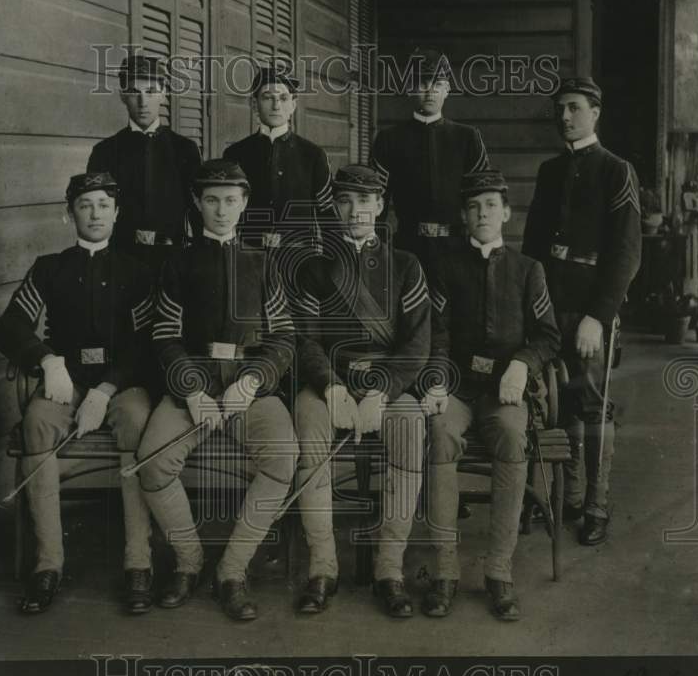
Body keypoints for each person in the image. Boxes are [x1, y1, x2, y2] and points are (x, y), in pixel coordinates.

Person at [135, 160, 299, 622]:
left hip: (251, 391)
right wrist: (191, 391)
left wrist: (252, 381)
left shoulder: (263, 263)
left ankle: (232, 569)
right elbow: (164, 336)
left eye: (230, 200)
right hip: (196, 389)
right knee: (152, 462)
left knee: (283, 459)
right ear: (197, 203)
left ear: (244, 203)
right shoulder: (177, 263)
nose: (221, 210)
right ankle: (189, 560)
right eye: (211, 200)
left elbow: (285, 338)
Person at [0, 172, 155, 615]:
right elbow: (10, 325)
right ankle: (48, 565)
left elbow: (146, 345)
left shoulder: (137, 273)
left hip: (120, 385)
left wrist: (106, 389)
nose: (95, 213)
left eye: (104, 204)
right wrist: (48, 361)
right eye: (85, 205)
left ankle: (138, 562)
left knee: (139, 422)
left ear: (117, 213)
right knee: (37, 422)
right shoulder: (50, 268)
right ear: (70, 215)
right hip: (66, 382)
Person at [291, 164, 433, 618]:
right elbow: (307, 340)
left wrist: (383, 392)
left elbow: (418, 344)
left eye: (365, 200)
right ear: (334, 206)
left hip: (385, 385)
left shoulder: (406, 265)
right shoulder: (314, 269)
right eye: (346, 200)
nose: (355, 210)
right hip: (329, 381)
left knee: (409, 428)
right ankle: (323, 567)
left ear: (380, 206)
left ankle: (389, 569)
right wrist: (330, 388)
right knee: (309, 424)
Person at [426, 170, 561, 621]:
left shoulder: (528, 271)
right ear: (464, 216)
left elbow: (548, 336)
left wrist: (522, 364)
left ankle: (498, 571)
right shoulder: (445, 268)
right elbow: (438, 334)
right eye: (472, 207)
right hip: (460, 387)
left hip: (505, 391)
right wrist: (440, 380)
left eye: (489, 206)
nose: (481, 214)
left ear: (506, 212)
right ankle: (445, 570)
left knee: (509, 433)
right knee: (441, 432)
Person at [522, 77, 642, 546]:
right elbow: (532, 248)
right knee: (559, 402)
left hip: (591, 309)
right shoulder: (550, 171)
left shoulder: (616, 170)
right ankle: (569, 495)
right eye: (559, 109)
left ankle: (596, 502)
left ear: (595, 112)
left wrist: (599, 315)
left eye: (573, 108)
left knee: (592, 404)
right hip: (551, 307)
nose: (564, 117)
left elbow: (627, 255)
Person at [369, 47, 490, 269]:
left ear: (447, 90)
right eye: (423, 84)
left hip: (458, 249)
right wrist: (377, 249)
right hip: (407, 248)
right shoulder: (389, 139)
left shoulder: (468, 138)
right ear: (410, 89)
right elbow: (377, 202)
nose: (430, 92)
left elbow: (482, 197)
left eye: (437, 85)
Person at [87, 54, 202, 267]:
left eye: (150, 92)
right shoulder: (105, 152)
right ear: (122, 95)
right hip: (121, 263)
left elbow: (198, 214)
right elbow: (94, 215)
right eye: (134, 92)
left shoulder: (184, 149)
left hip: (174, 262)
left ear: (163, 94)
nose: (142, 101)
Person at [222, 64, 334, 253]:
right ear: (254, 103)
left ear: (293, 104)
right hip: (249, 256)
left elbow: (328, 217)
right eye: (267, 98)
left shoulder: (313, 155)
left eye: (283, 98)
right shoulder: (235, 154)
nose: (276, 105)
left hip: (299, 259)